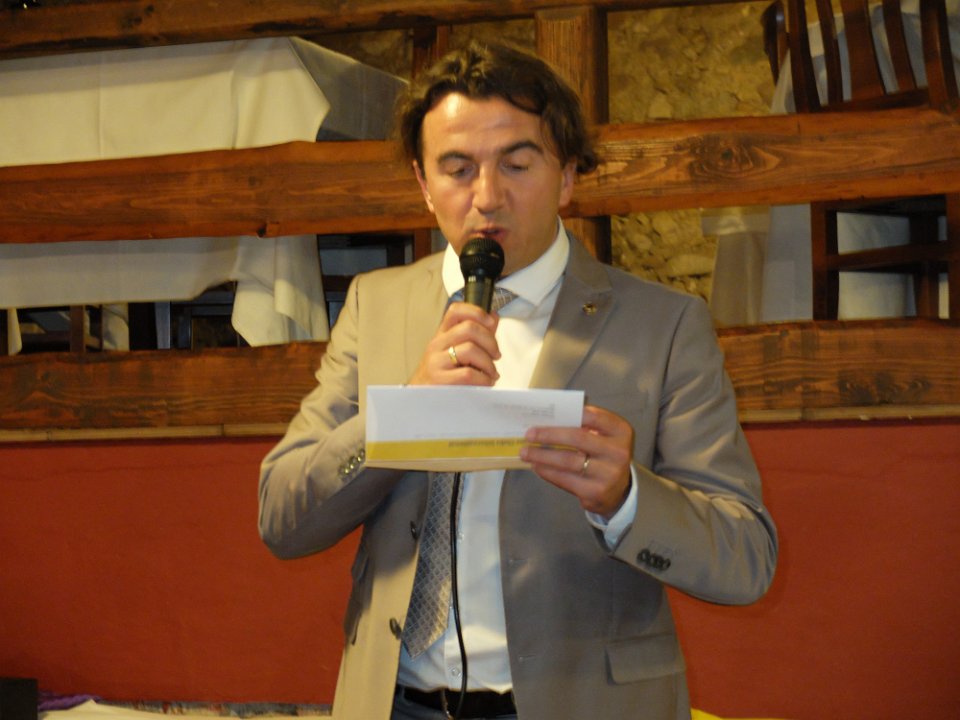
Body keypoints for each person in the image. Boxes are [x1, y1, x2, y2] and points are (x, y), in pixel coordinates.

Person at [259, 39, 778, 720]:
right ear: (423, 183)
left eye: (517, 163)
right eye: (457, 168)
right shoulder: (374, 305)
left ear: (566, 176)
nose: (487, 197)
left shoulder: (665, 324)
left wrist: (625, 498)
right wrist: (402, 414)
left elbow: (745, 559)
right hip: (396, 702)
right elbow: (283, 518)